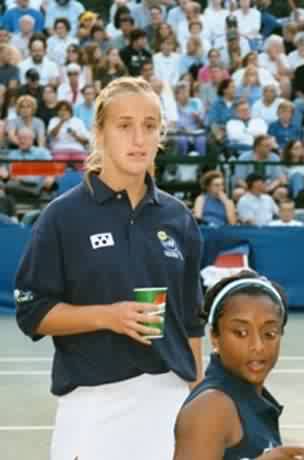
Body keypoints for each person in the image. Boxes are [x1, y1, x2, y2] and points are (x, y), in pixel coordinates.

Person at [15, 76, 204, 460]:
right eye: (125, 125)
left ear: (160, 136)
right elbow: (32, 312)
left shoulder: (178, 218)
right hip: (92, 406)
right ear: (100, 132)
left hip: (168, 402)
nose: (139, 138)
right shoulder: (62, 216)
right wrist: (108, 316)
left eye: (150, 126)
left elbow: (191, 323)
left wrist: (198, 402)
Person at [173, 269, 304, 460]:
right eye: (241, 333)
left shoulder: (251, 397)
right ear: (214, 336)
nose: (258, 346)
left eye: (269, 333)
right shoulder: (211, 408)